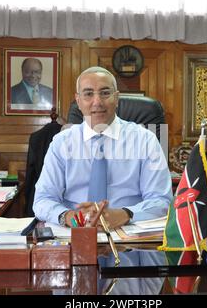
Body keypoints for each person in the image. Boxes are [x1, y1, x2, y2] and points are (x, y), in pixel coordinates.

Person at [33, 66, 172, 229]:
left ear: (117, 97)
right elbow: (43, 200)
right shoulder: (61, 143)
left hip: (127, 235)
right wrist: (70, 217)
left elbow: (161, 200)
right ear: (78, 101)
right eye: (88, 94)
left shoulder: (145, 140)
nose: (97, 102)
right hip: (75, 233)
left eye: (105, 93)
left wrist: (125, 214)